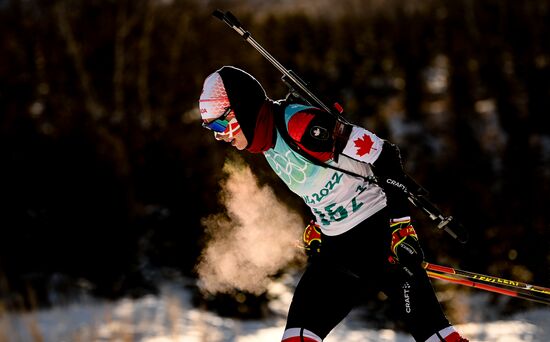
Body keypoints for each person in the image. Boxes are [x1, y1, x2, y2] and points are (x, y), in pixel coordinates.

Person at [198, 65, 469, 342]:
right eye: (211, 129)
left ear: (241, 109)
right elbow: (320, 183)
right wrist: (318, 222)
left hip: (379, 237)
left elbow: (384, 154)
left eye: (220, 124)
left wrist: (400, 226)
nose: (220, 135)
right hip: (337, 250)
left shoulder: (301, 125)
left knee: (436, 337)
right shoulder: (267, 142)